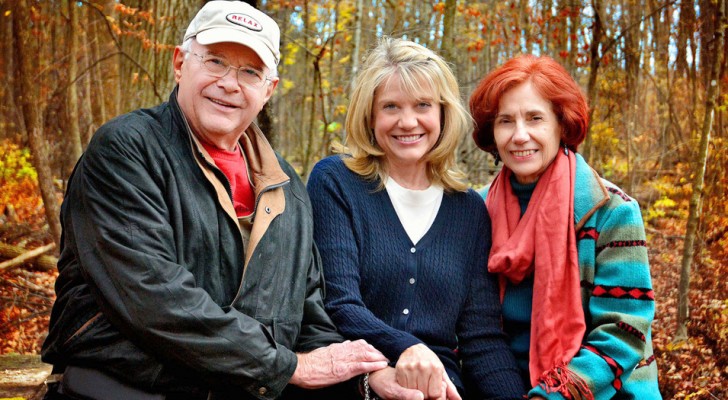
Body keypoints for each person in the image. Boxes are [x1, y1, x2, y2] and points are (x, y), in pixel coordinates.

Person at [40, 2, 420, 399]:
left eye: (249, 72)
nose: (229, 83)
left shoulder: (286, 185)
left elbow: (307, 314)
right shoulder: (127, 150)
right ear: (179, 63)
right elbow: (152, 296)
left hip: (243, 387)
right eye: (215, 61)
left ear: (268, 90)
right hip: (127, 384)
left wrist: (362, 377)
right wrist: (287, 365)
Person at [306, 37, 526, 400]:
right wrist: (406, 347)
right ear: (370, 115)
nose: (408, 122)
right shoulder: (336, 182)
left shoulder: (469, 210)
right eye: (391, 106)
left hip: (442, 391)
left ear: (442, 113)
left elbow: (481, 338)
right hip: (355, 383)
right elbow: (339, 303)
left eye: (423, 105)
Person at [468, 54, 661, 400]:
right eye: (505, 121)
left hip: (599, 389)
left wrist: (550, 395)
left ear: (562, 124)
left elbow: (623, 332)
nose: (519, 135)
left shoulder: (612, 211)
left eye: (535, 118)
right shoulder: (474, 210)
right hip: (497, 384)